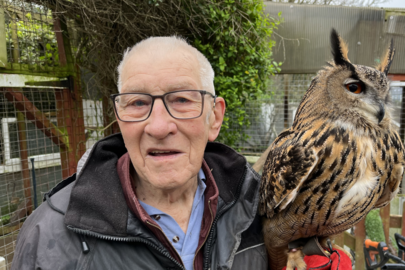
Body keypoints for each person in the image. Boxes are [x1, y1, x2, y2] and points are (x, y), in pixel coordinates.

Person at [11, 36, 267, 270]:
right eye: (138, 103)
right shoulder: (47, 235)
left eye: (181, 100)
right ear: (120, 120)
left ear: (215, 117)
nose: (158, 127)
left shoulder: (262, 209)